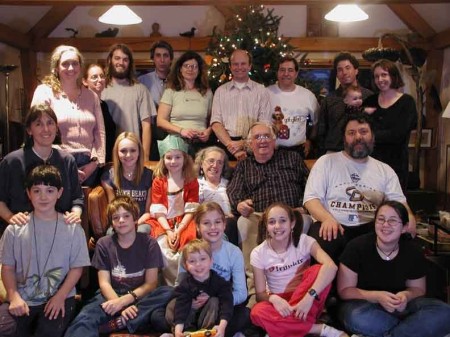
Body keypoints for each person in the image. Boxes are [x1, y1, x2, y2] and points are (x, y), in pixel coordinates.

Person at [304, 113, 416, 263]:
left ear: (372, 136)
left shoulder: (384, 170)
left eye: (363, 132)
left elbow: (399, 202)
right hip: (334, 224)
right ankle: (324, 286)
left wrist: (410, 217)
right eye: (351, 133)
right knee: (324, 237)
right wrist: (327, 219)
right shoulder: (326, 162)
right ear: (344, 138)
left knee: (401, 241)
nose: (358, 137)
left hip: (371, 227)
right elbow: (311, 200)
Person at [0, 165, 90, 337]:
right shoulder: (15, 229)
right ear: (28, 193)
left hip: (60, 296)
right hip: (22, 297)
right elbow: (8, 268)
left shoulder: (72, 228)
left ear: (59, 192)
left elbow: (77, 268)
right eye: (37, 191)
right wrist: (14, 297)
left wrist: (60, 296)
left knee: (47, 332)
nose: (43, 197)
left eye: (49, 190)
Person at [337, 200, 450, 337]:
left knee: (444, 312)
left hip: (402, 306)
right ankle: (414, 329)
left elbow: (418, 289)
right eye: (381, 219)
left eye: (392, 221)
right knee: (355, 316)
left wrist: (405, 296)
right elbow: (345, 291)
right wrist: (377, 297)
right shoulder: (356, 247)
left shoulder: (412, 251)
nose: (385, 225)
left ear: (404, 227)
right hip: (365, 304)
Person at [65, 195, 172, 337]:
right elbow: (104, 283)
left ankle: (121, 322)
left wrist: (125, 301)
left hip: (139, 296)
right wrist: (118, 304)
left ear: (135, 219)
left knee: (168, 291)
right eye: (116, 218)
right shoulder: (104, 243)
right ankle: (130, 320)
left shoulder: (149, 243)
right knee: (82, 321)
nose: (121, 221)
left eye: (126, 216)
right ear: (112, 223)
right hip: (110, 296)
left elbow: (151, 284)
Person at [227, 122, 309, 305]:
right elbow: (233, 192)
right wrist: (239, 204)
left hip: (291, 214)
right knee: (243, 223)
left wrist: (304, 206)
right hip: (259, 215)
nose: (262, 140)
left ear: (274, 140)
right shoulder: (244, 165)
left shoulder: (292, 158)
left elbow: (309, 185)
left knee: (304, 220)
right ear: (249, 143)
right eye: (257, 137)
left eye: (266, 136)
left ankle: (297, 287)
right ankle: (256, 291)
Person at [250, 202, 348, 337]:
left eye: (282, 221)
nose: (277, 226)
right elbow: (260, 295)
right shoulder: (258, 252)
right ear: (266, 227)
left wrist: (308, 298)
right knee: (256, 312)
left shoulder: (304, 241)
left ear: (292, 223)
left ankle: (280, 328)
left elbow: (331, 267)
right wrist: (273, 298)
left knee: (319, 270)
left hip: (308, 299)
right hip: (281, 304)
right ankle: (319, 329)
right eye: (272, 222)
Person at [31, 45, 106, 186]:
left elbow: (100, 132)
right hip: (55, 161)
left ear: (80, 66)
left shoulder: (91, 96)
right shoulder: (44, 92)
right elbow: (38, 130)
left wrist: (95, 163)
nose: (71, 68)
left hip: (88, 166)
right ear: (56, 67)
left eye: (75, 63)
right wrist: (65, 164)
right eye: (65, 64)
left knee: (83, 207)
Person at [0, 104, 83, 226]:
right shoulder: (12, 162)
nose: (46, 129)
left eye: (50, 123)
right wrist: (10, 217)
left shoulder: (67, 161)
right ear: (29, 130)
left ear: (56, 127)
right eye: (39, 124)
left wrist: (75, 214)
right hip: (22, 231)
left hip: (60, 229)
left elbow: (77, 199)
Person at [176, 202, 249, 337]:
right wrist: (190, 302)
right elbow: (178, 285)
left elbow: (241, 293)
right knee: (160, 315)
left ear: (224, 224)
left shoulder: (233, 252)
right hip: (192, 304)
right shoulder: (187, 251)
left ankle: (204, 332)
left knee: (244, 314)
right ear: (197, 227)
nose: (213, 227)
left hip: (220, 305)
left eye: (217, 222)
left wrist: (215, 298)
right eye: (206, 223)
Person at [145, 134, 199, 285]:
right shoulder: (159, 181)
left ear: (184, 158)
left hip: (185, 220)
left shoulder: (191, 180)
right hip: (163, 222)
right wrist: (169, 231)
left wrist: (179, 230)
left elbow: (191, 208)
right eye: (169, 157)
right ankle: (167, 286)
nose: (173, 161)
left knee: (186, 247)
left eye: (177, 157)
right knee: (163, 247)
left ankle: (184, 283)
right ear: (163, 159)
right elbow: (159, 209)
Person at [364, 59, 417, 191]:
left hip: (396, 164)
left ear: (393, 76)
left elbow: (398, 134)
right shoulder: (370, 100)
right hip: (370, 163)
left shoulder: (407, 102)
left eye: (384, 75)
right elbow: (360, 127)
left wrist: (370, 136)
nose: (380, 79)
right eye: (376, 76)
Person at [164, 239, 233, 337]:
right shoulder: (185, 284)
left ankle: (207, 333)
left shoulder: (220, 282)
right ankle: (182, 332)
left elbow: (227, 304)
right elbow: (181, 307)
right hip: (187, 320)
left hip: (208, 321)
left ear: (211, 261)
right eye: (192, 261)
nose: (198, 264)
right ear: (186, 265)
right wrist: (178, 331)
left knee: (215, 301)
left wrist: (222, 327)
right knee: (172, 304)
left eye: (203, 259)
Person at [211, 49, 271, 160]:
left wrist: (244, 143)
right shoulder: (220, 91)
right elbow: (216, 122)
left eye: (243, 64)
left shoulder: (261, 91)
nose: (239, 67)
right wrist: (232, 146)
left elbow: (265, 123)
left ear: (249, 66)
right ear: (230, 67)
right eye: (235, 64)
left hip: (255, 147)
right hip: (226, 146)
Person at [102, 43, 156, 160]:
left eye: (125, 59)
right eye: (117, 58)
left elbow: (146, 126)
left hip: (132, 153)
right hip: (106, 153)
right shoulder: (100, 89)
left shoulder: (141, 89)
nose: (121, 62)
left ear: (130, 63)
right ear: (110, 60)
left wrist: (145, 157)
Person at [157, 51, 214, 155]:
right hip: (176, 143)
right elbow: (160, 121)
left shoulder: (207, 92)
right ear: (180, 69)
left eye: (194, 66)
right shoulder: (171, 91)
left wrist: (208, 131)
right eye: (186, 66)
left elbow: (213, 120)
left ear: (199, 70)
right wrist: (181, 130)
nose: (190, 69)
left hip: (200, 145)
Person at [317, 52, 373, 155]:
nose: (344, 72)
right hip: (334, 152)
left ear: (356, 70)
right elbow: (321, 130)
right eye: (340, 70)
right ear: (337, 75)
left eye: (348, 68)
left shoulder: (369, 97)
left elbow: (374, 127)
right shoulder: (329, 99)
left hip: (362, 151)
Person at [267, 56, 319, 158]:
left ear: (296, 73)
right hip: (271, 150)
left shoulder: (308, 96)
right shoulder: (266, 93)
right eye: (282, 70)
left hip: (299, 151)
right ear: (277, 72)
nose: (286, 74)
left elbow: (316, 122)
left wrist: (310, 140)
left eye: (290, 70)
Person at [101, 132, 152, 232]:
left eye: (133, 150)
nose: (128, 155)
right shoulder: (108, 177)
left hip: (142, 222)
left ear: (139, 152)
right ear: (117, 153)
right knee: (110, 234)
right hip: (120, 222)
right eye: (123, 151)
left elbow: (148, 212)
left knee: (141, 232)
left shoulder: (149, 176)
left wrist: (134, 224)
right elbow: (113, 210)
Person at [194, 146, 238, 245]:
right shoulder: (195, 184)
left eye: (220, 162)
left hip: (227, 224)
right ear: (201, 164)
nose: (215, 165)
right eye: (211, 161)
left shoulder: (231, 184)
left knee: (230, 223)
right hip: (204, 223)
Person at [138, 40, 174, 160]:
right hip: (152, 134)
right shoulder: (142, 81)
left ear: (171, 59)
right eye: (158, 55)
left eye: (166, 55)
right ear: (153, 58)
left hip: (174, 131)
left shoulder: (179, 80)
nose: (162, 60)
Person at [82, 63, 116, 162]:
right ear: (85, 81)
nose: (99, 80)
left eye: (102, 76)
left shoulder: (104, 105)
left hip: (106, 159)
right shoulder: (84, 105)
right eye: (94, 77)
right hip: (91, 161)